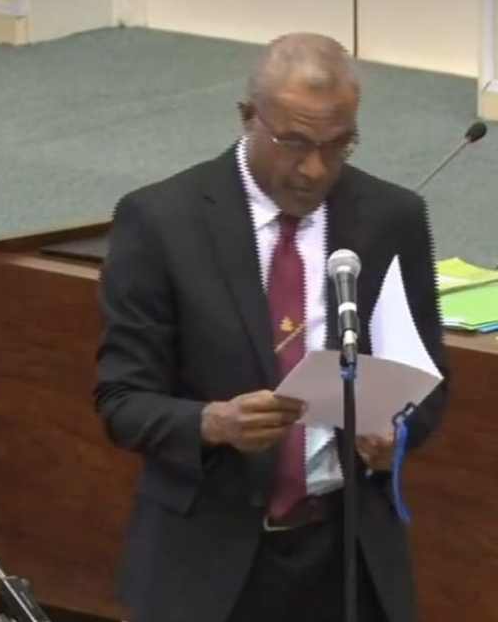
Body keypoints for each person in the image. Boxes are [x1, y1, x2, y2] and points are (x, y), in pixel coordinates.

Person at [95, 33, 448, 622]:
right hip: (208, 563)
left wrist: (397, 440)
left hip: (347, 559)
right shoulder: (161, 221)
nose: (313, 169)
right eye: (294, 143)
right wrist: (211, 422)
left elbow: (426, 377)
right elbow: (120, 399)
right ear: (246, 118)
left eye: (338, 147)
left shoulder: (391, 219)